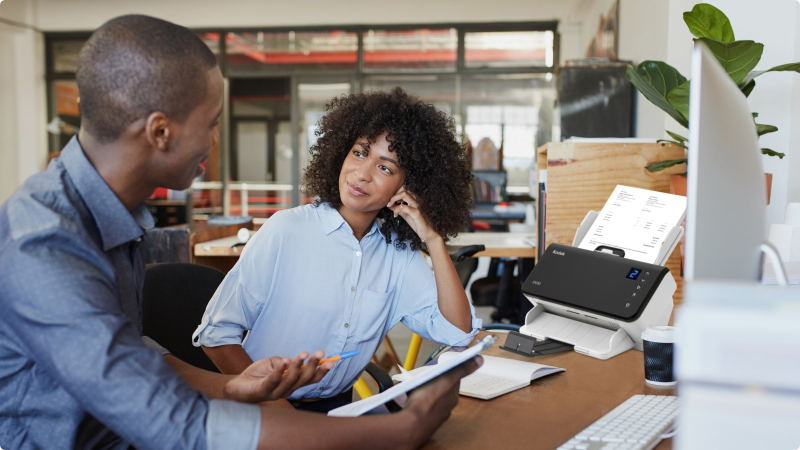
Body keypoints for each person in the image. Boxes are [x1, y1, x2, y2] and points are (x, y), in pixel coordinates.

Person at [0, 15, 481, 450]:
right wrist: (401, 431)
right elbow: (174, 424)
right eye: (211, 123)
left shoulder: (110, 223)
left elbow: (134, 358)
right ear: (160, 132)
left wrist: (234, 386)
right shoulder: (44, 246)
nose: (215, 140)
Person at [194, 88, 482, 412]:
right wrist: (272, 406)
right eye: (359, 153)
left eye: (385, 168)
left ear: (407, 187)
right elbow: (216, 334)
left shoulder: (397, 255)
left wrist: (433, 239)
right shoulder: (286, 230)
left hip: (337, 411)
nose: (362, 174)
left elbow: (458, 333)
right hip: (262, 409)